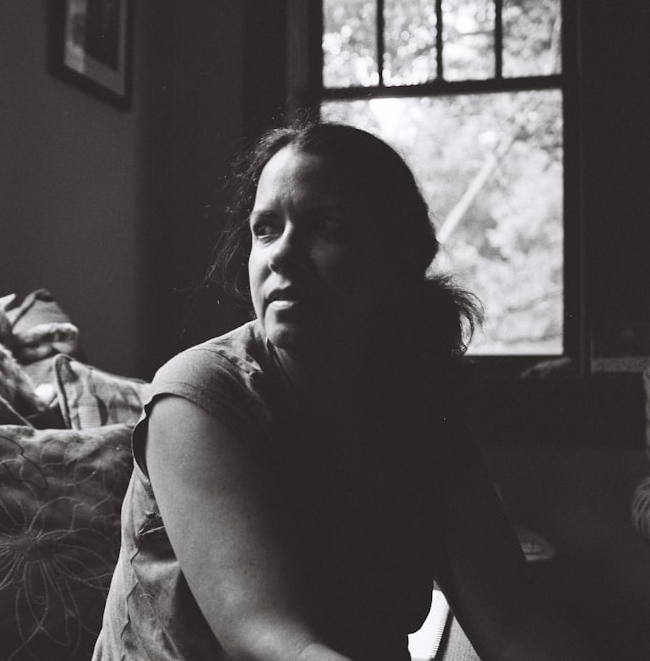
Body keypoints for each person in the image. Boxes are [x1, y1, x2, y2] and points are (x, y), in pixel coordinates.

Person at [92, 114, 590, 661]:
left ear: (397, 260)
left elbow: (514, 623)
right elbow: (270, 640)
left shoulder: (419, 408)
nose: (280, 253)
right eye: (266, 229)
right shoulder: (199, 396)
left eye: (325, 227)